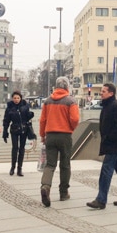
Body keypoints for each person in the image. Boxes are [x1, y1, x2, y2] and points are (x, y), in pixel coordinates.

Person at [86, 83, 117, 210]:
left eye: (104, 91)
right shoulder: (107, 106)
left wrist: (109, 138)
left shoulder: (115, 106)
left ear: (111, 93)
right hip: (113, 143)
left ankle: (101, 200)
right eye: (101, 91)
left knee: (106, 171)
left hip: (114, 144)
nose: (101, 93)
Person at [39, 76, 79, 207]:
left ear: (56, 86)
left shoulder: (48, 101)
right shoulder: (70, 100)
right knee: (65, 164)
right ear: (67, 86)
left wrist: (42, 135)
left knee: (50, 165)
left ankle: (45, 186)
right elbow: (75, 119)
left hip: (50, 135)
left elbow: (42, 120)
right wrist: (70, 128)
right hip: (65, 136)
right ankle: (63, 192)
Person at [3, 90, 34, 176]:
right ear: (12, 98)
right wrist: (5, 132)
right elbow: (6, 120)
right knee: (15, 148)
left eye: (18, 98)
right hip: (14, 130)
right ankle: (12, 167)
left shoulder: (25, 106)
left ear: (20, 98)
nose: (16, 99)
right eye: (14, 98)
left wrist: (30, 114)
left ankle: (19, 168)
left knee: (22, 149)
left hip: (24, 129)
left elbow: (27, 117)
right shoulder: (9, 107)